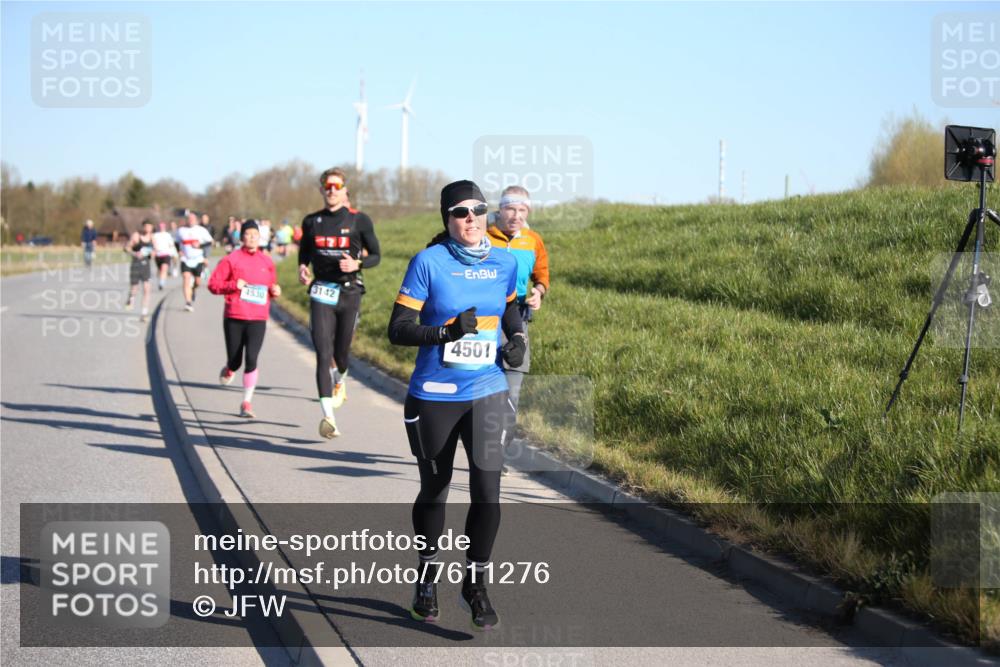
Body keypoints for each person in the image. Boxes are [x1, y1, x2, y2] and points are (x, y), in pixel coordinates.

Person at [387, 180, 526, 630]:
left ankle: (475, 585)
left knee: (488, 492)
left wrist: (517, 338)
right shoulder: (429, 262)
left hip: (487, 389)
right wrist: (447, 332)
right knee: (436, 489)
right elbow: (399, 328)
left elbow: (510, 310)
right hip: (436, 396)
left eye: (478, 210)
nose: (471, 219)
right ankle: (427, 579)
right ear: (447, 219)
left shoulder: (504, 261)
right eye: (461, 212)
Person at [298, 167, 381, 438]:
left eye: (337, 186)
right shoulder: (311, 222)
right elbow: (304, 252)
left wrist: (357, 262)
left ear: (345, 190)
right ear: (322, 190)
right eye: (327, 186)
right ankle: (328, 417)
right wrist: (302, 267)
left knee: (341, 353)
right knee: (323, 353)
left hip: (349, 292)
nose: (332, 190)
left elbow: (376, 255)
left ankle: (340, 380)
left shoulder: (360, 220)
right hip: (321, 291)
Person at [486, 185, 550, 411]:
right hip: (485, 313)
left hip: (518, 313)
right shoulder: (484, 236)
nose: (517, 216)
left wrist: (539, 291)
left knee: (515, 369)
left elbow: (541, 272)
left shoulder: (533, 240)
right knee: (484, 369)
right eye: (511, 209)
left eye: (522, 210)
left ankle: (505, 428)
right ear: (500, 210)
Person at [208, 220, 281, 418]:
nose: (251, 238)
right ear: (241, 238)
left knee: (252, 359)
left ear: (260, 237)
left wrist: (275, 291)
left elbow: (271, 286)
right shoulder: (231, 259)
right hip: (235, 315)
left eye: (254, 235)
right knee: (235, 361)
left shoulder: (267, 262)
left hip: (258, 318)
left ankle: (246, 402)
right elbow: (213, 284)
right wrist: (234, 285)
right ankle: (230, 368)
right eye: (247, 234)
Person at [177, 211, 214, 311]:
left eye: (193, 219)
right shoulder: (181, 230)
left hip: (198, 259)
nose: (190, 221)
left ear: (196, 220)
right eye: (189, 219)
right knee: (186, 278)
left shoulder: (201, 230)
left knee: (197, 282)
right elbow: (176, 242)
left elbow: (211, 242)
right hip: (186, 259)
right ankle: (188, 302)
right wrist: (179, 251)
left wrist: (200, 246)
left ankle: (193, 290)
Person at [124, 219, 155, 321]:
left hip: (146, 265)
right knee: (135, 288)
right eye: (146, 226)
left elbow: (155, 251)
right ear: (143, 227)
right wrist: (135, 253)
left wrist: (152, 254)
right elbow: (126, 248)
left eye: (150, 226)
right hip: (136, 264)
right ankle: (131, 298)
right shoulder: (136, 236)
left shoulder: (152, 238)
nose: (148, 228)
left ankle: (144, 313)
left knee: (147, 289)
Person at [152, 221, 178, 290]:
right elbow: (153, 243)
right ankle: (160, 280)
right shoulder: (155, 235)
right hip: (158, 255)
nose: (161, 228)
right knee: (160, 270)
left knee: (164, 268)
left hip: (166, 254)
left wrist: (172, 252)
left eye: (162, 227)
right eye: (160, 227)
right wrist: (155, 249)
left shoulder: (167, 235)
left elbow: (171, 244)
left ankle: (161, 283)